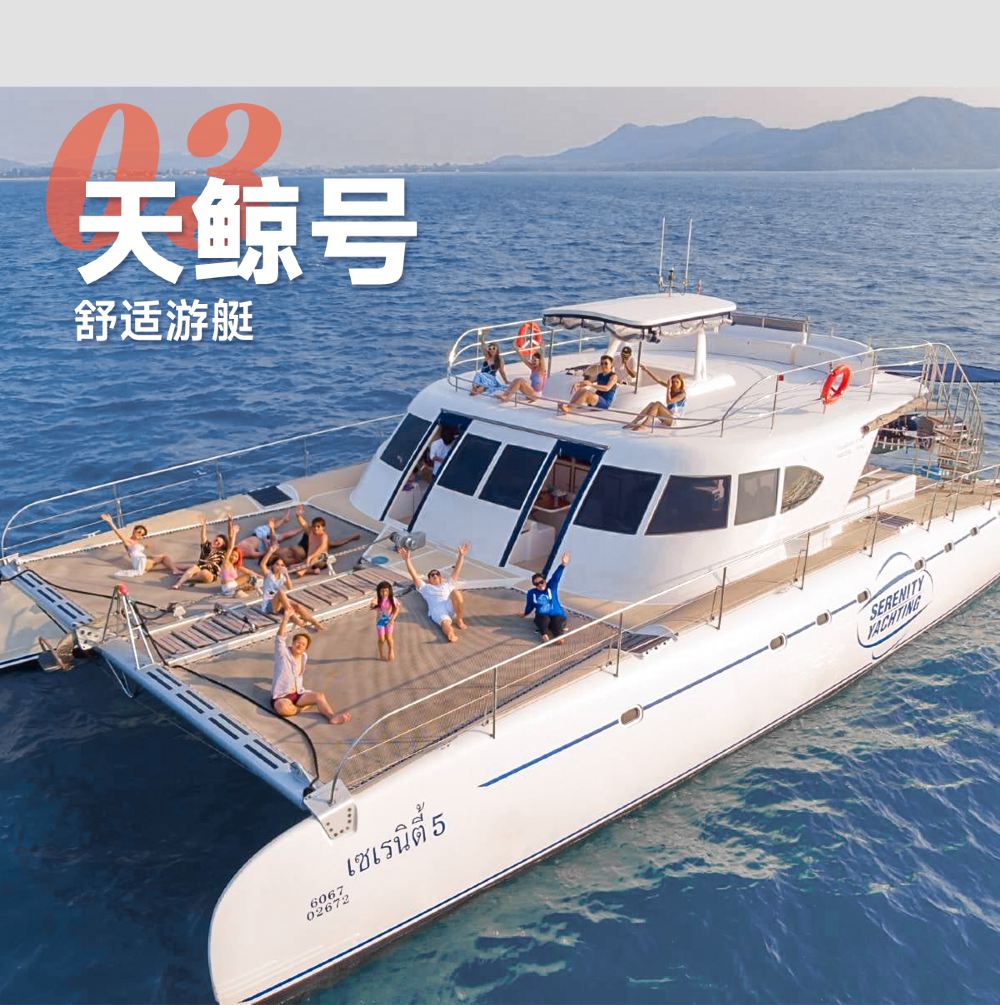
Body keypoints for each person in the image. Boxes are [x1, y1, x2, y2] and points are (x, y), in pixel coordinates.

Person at [271, 607, 350, 724]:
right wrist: (286, 617)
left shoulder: (304, 657)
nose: (300, 645)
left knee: (319, 696)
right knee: (282, 708)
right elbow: (280, 638)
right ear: (293, 643)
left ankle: (332, 717)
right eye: (298, 642)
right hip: (282, 696)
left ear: (305, 649)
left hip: (298, 693)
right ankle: (300, 708)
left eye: (303, 645)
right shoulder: (283, 653)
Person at [399, 542, 469, 643]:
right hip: (437, 609)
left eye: (437, 574)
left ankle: (459, 620)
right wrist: (407, 560)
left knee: (456, 592)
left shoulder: (447, 584)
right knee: (445, 623)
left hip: (449, 605)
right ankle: (450, 634)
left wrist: (461, 556)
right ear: (429, 579)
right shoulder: (425, 588)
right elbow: (414, 575)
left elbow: (457, 570)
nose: (435, 575)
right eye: (432, 575)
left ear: (440, 577)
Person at [282, 506, 361, 577]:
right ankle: (312, 571)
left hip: (321, 560)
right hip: (309, 560)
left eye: (318, 526)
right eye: (314, 526)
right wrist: (298, 515)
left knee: (315, 557)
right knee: (291, 567)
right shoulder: (310, 532)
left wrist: (352, 537)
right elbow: (304, 524)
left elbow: (322, 548)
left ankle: (305, 570)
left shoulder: (324, 537)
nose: (316, 528)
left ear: (323, 527)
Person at [100, 512, 182, 577]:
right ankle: (175, 570)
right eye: (139, 532)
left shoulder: (137, 543)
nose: (140, 535)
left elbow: (136, 552)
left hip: (141, 561)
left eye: (142, 534)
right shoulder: (128, 541)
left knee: (163, 559)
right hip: (140, 563)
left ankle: (177, 569)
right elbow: (119, 535)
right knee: (164, 557)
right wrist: (110, 522)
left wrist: (144, 547)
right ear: (134, 531)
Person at [260, 545, 323, 630]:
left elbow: (290, 587)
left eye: (281, 565)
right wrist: (270, 551)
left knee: (297, 606)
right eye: (277, 564)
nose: (279, 567)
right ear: (272, 565)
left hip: (280, 603)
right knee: (281, 592)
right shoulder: (269, 574)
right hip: (269, 606)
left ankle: (315, 623)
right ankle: (297, 619)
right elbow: (262, 564)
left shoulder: (282, 576)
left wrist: (286, 575)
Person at [171, 513, 230, 590]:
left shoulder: (222, 554)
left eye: (218, 543)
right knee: (192, 567)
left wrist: (230, 522)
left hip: (210, 574)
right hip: (200, 567)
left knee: (203, 572)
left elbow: (230, 543)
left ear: (221, 546)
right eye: (216, 540)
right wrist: (203, 525)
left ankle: (187, 578)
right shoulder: (207, 546)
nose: (216, 543)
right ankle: (178, 584)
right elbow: (203, 536)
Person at [521, 553, 570, 643]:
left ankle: (558, 636)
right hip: (542, 616)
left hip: (557, 615)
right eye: (536, 584)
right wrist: (525, 613)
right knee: (543, 620)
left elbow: (556, 577)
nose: (540, 585)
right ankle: (544, 634)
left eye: (541, 582)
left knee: (556, 623)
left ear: (545, 581)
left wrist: (563, 565)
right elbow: (530, 605)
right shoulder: (531, 593)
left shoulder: (551, 587)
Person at [470, 330, 509, 396]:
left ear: (497, 349)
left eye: (494, 348)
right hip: (482, 377)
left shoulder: (499, 359)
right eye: (490, 348)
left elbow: (502, 371)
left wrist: (506, 381)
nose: (492, 350)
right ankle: (475, 388)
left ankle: (476, 389)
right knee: (479, 379)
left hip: (491, 379)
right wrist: (483, 335)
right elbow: (483, 344)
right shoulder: (487, 356)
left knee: (479, 377)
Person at [370, 580, 401, 661]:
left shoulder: (392, 599)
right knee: (381, 639)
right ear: (379, 591)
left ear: (389, 591)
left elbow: (397, 608)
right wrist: (372, 604)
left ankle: (391, 650)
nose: (384, 593)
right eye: (382, 591)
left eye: (386, 591)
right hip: (380, 622)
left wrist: (393, 619)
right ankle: (381, 654)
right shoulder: (377, 599)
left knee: (389, 637)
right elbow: (372, 604)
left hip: (389, 621)